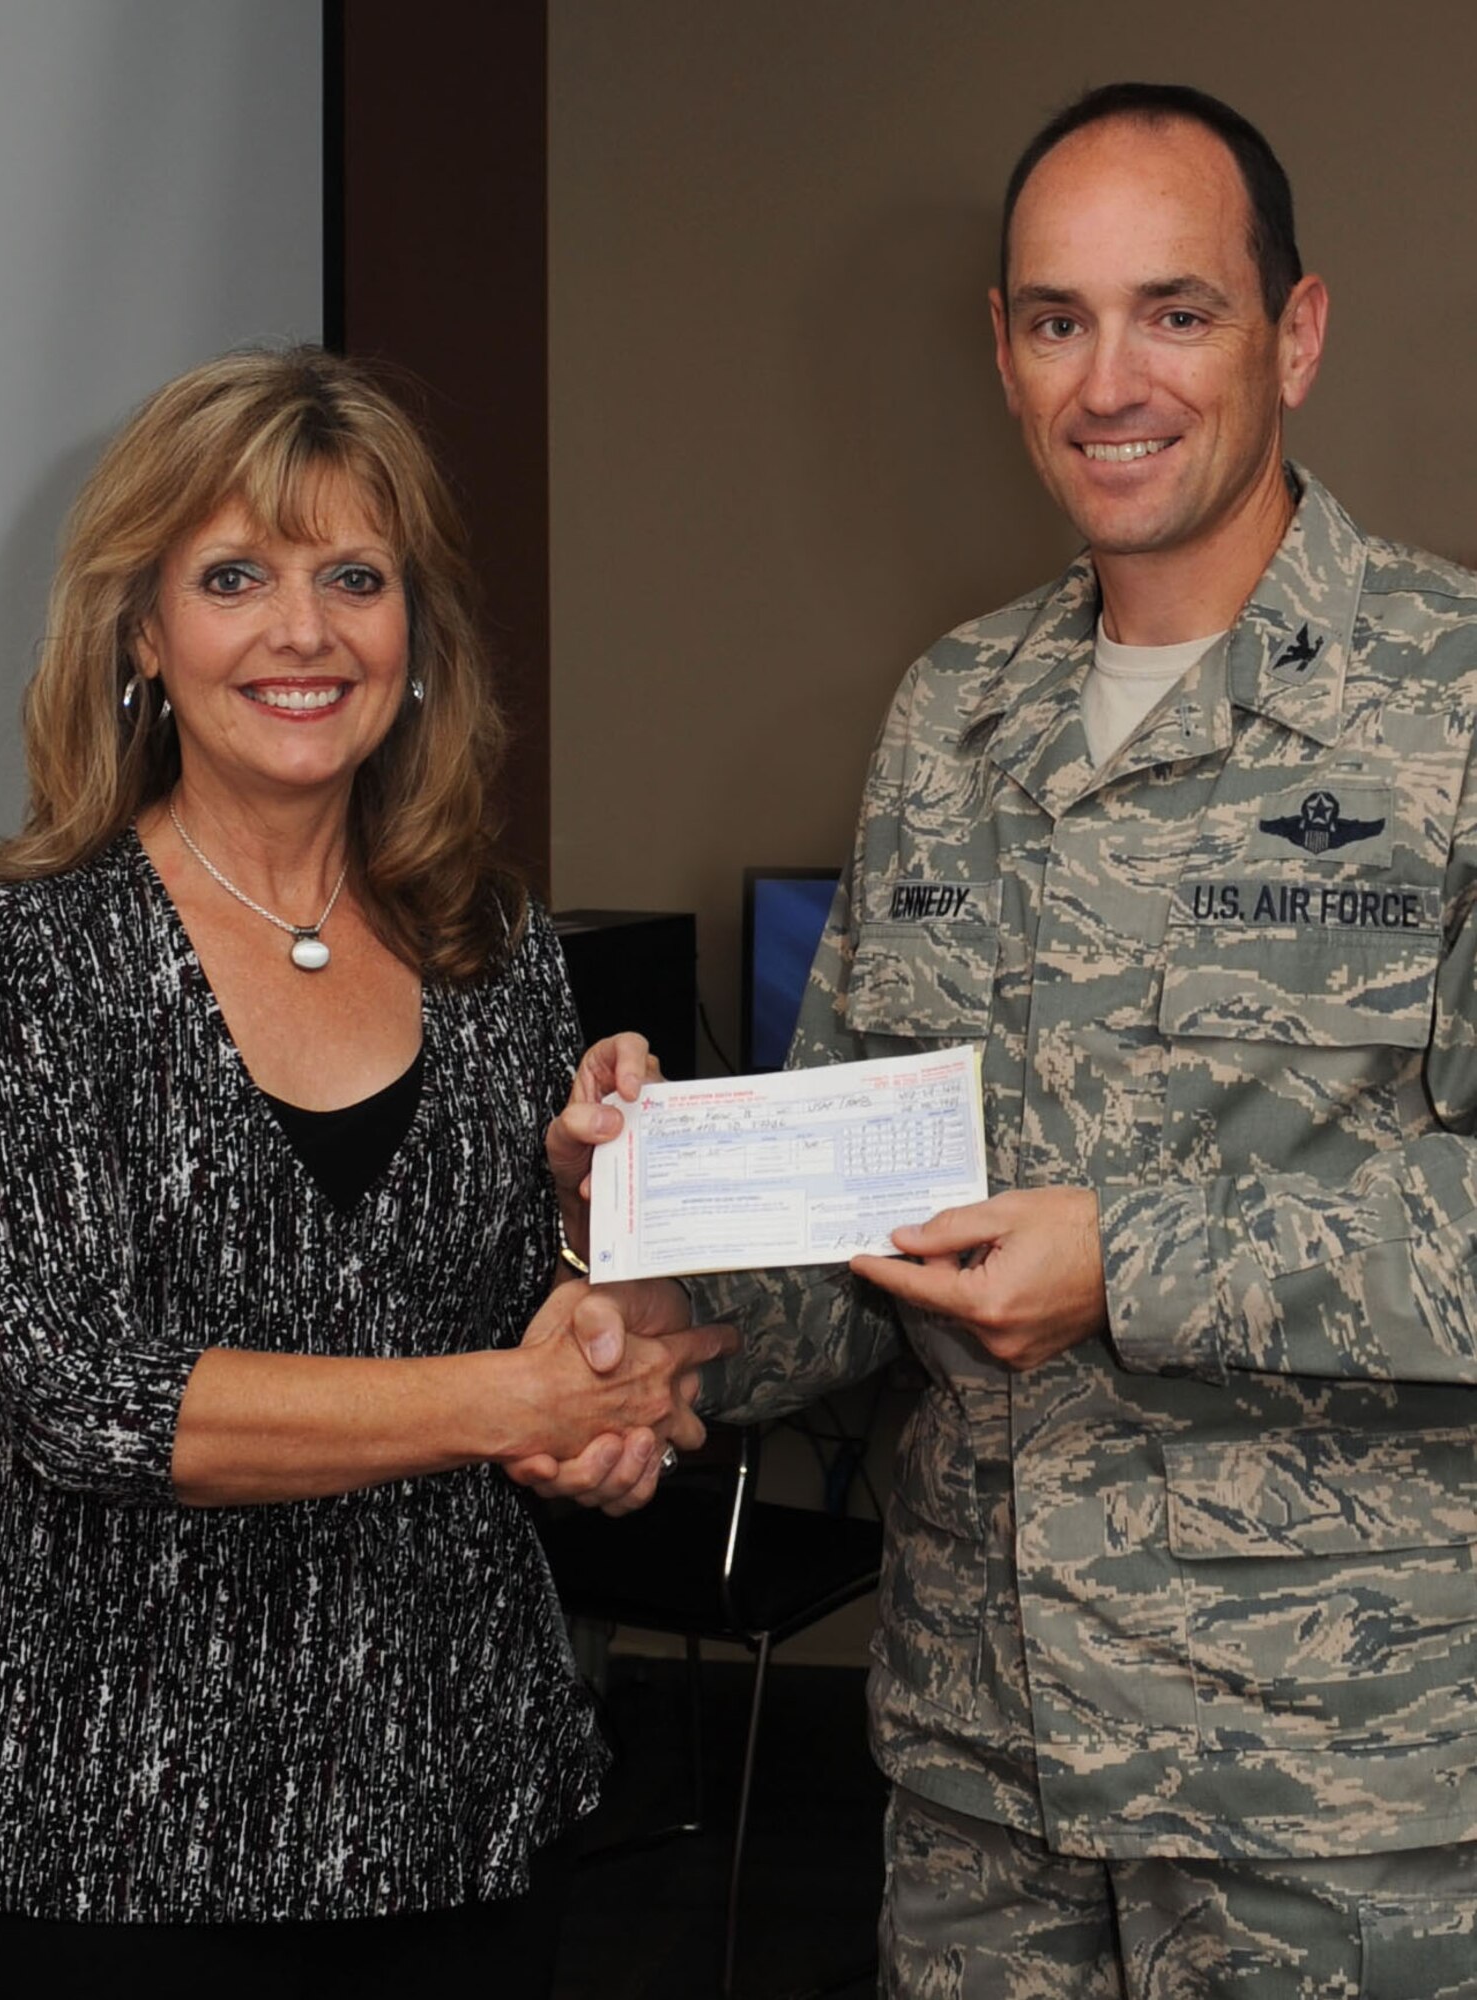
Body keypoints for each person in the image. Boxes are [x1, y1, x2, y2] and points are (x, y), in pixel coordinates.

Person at [546, 83, 1477, 1994]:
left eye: (1174, 312)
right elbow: (858, 1225)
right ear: (1001, 350)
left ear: (1294, 333)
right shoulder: (952, 714)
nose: (1108, 381)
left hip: (1328, 1793)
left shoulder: (1452, 710)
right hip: (980, 1766)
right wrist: (661, 1269)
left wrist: (1126, 1260)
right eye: (1057, 319)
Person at [0, 346, 732, 1997]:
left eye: (355, 577)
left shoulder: (492, 941)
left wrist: (605, 1243)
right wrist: (516, 1402)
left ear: (413, 632)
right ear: (143, 632)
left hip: (457, 1802)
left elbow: (552, 1338)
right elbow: (83, 1400)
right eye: (234, 578)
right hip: (94, 1832)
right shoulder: (18, 955)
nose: (305, 631)